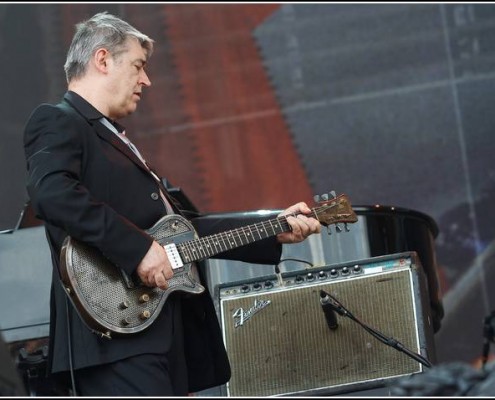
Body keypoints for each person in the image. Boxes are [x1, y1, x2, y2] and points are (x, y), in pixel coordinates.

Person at [23, 11, 321, 396]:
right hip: (113, 338)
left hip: (160, 331)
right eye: (138, 65)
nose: (145, 80)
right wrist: (139, 250)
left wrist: (275, 228)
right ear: (102, 60)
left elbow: (186, 231)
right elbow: (51, 193)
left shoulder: (114, 138)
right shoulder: (58, 120)